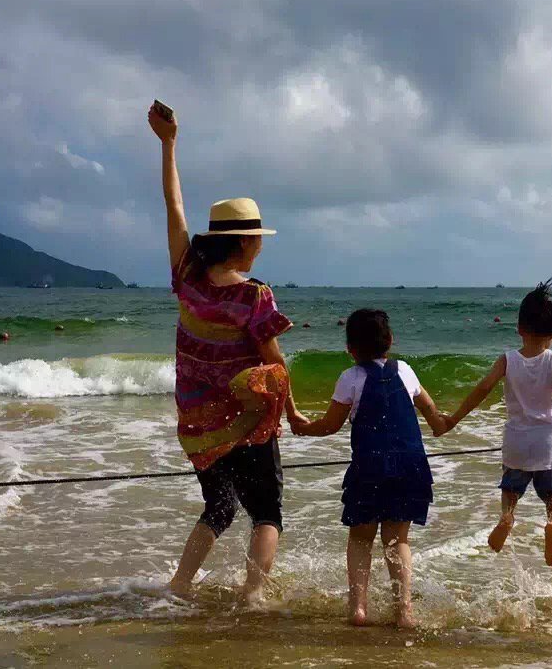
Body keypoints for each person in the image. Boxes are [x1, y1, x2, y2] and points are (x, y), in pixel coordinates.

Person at [149, 103, 307, 605]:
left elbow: (174, 207)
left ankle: (179, 585)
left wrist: (168, 144)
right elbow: (275, 363)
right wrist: (293, 411)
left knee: (218, 507)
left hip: (196, 421)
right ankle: (252, 595)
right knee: (267, 512)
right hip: (245, 420)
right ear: (244, 242)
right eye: (257, 237)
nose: (260, 244)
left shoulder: (188, 276)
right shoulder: (253, 296)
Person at [291, 309, 453, 629]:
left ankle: (358, 608)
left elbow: (330, 425)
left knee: (361, 539)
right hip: (410, 466)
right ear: (390, 340)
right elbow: (432, 413)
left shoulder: (350, 378)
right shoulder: (405, 370)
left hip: (369, 468)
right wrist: (442, 424)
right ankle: (403, 611)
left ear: (350, 349)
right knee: (397, 540)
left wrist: (303, 428)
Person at [443, 281, 552, 566]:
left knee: (510, 490)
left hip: (516, 443)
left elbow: (483, 389)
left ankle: (507, 517)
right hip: (548, 444)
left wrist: (453, 419)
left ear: (519, 328)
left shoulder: (507, 360)